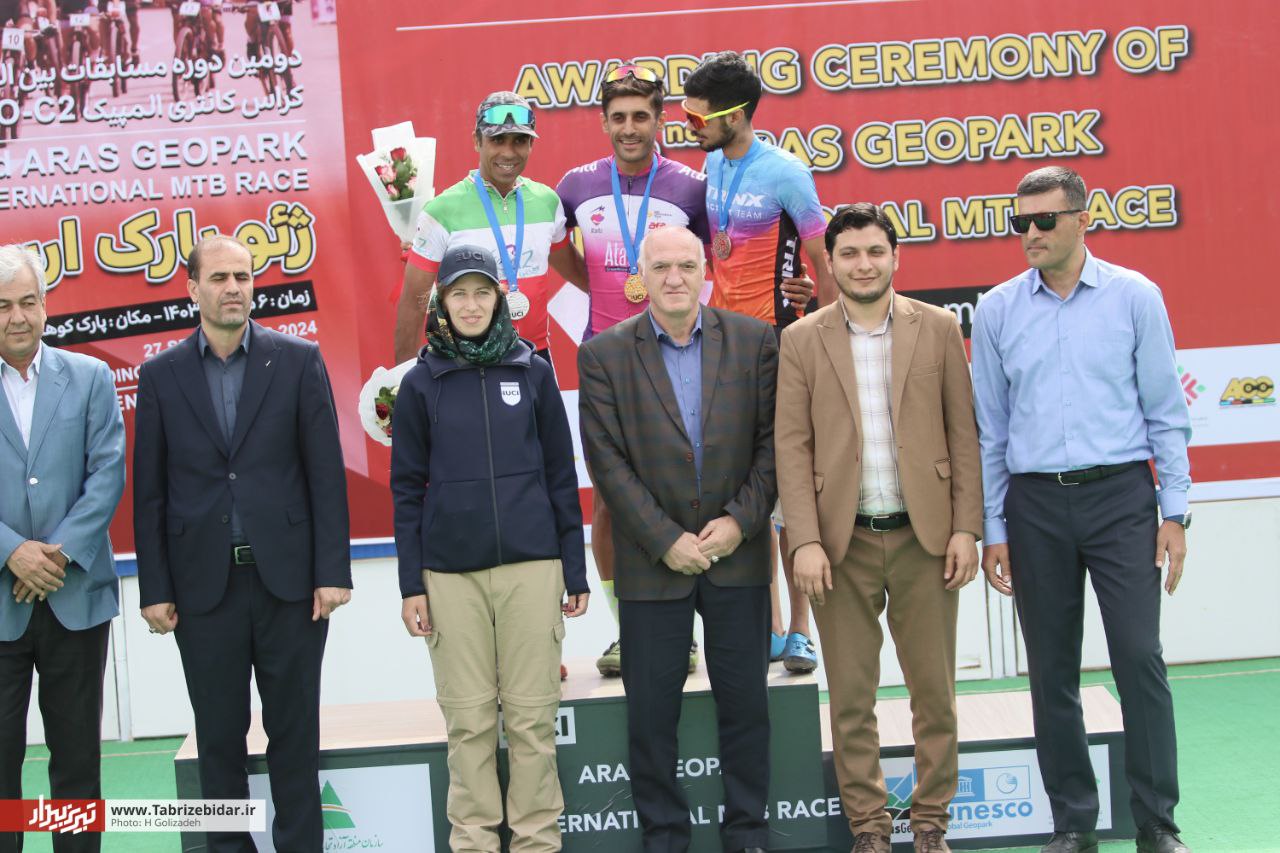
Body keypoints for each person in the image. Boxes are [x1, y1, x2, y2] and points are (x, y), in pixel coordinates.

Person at [971, 166, 1192, 853]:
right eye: (1020, 223)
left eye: (1045, 220)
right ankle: (1073, 823)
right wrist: (995, 526)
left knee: (1139, 657)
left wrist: (1175, 511)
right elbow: (991, 431)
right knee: (1051, 670)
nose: (1030, 234)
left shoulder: (1135, 297)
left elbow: (1166, 410)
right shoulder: (997, 309)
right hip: (1035, 505)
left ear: (1081, 219)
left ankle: (1157, 823)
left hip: (1122, 498)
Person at [133, 235, 352, 853]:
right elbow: (148, 492)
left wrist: (331, 571)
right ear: (192, 288)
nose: (234, 288)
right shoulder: (161, 376)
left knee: (295, 737)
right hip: (204, 592)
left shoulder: (298, 361)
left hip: (290, 588)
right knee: (218, 742)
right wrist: (155, 588)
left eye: (244, 276)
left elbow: (325, 474)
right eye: (220, 277)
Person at [775, 205, 982, 853]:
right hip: (842, 545)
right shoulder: (801, 339)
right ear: (830, 263)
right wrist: (805, 539)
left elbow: (964, 433)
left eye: (874, 251)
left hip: (927, 539)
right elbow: (792, 447)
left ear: (895, 257)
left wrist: (966, 528)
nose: (863, 264)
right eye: (849, 253)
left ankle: (930, 825)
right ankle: (869, 829)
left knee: (935, 695)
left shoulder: (938, 327)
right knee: (851, 698)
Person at [579, 226, 777, 853]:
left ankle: (747, 834)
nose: (674, 278)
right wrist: (665, 539)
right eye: (661, 266)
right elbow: (606, 462)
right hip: (651, 562)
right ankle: (664, 838)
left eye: (687, 266)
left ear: (704, 272)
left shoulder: (755, 341)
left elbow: (775, 445)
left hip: (737, 555)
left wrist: (738, 523)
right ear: (640, 276)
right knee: (650, 717)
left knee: (746, 707)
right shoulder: (604, 355)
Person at [392, 243, 588, 852]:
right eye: (459, 294)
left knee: (532, 722)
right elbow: (406, 489)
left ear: (500, 298)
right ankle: (474, 843)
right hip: (451, 576)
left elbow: (560, 475)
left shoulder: (533, 371)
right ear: (441, 302)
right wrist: (411, 585)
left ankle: (536, 843)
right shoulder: (419, 383)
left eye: (482, 292)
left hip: (533, 567)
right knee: (469, 723)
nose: (471, 305)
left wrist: (574, 570)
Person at [555, 62, 709, 677]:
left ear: (660, 119)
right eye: (618, 117)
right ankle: (628, 631)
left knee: (683, 496)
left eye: (641, 116)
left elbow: (711, 262)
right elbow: (558, 255)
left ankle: (686, 635)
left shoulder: (691, 188)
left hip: (677, 357)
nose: (629, 128)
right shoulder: (576, 185)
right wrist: (600, 288)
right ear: (602, 122)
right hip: (606, 361)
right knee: (609, 504)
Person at [682, 49, 833, 673]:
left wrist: (819, 314)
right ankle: (768, 627)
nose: (689, 128)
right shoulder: (714, 163)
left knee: (789, 490)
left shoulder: (787, 173)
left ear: (738, 115)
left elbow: (822, 260)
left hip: (779, 344)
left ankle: (800, 629)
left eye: (698, 119)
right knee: (749, 492)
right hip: (724, 349)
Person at [0, 245, 125, 853]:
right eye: (3, 306)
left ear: (45, 306)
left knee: (76, 765)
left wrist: (56, 556)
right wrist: (11, 552)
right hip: (1, 604)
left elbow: (107, 473)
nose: (17, 317)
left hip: (75, 598)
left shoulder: (90, 377)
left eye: (27, 302)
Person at [394, 91, 586, 365]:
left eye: (519, 140)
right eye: (497, 140)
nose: (508, 152)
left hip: (534, 357)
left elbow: (578, 271)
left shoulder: (547, 202)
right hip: (466, 363)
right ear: (477, 140)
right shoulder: (442, 210)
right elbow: (413, 304)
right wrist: (403, 380)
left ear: (531, 144)